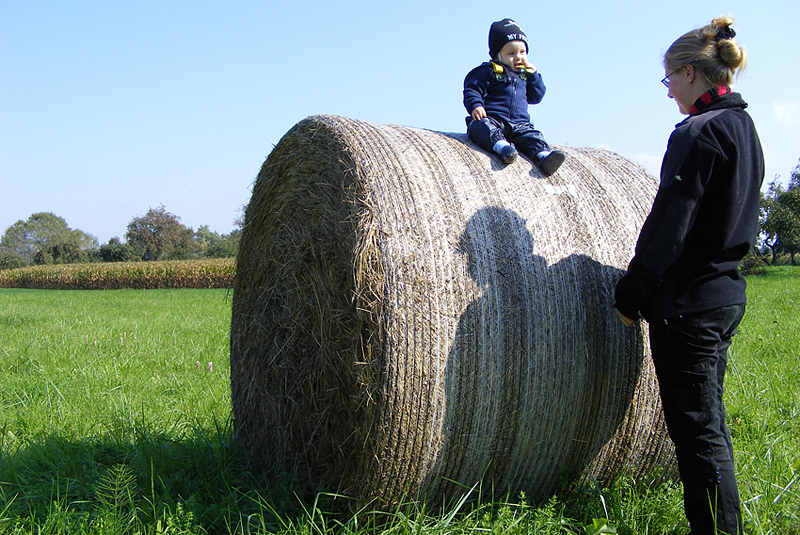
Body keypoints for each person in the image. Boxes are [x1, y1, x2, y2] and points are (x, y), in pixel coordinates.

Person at [614, 15, 763, 535]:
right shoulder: (743, 127)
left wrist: (631, 294)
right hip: (724, 296)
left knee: (698, 433)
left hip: (689, 305)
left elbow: (669, 226)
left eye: (669, 79)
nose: (669, 90)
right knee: (709, 423)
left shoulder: (697, 133)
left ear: (691, 74)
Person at [463, 19, 565, 176]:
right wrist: (476, 105)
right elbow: (472, 88)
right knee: (479, 126)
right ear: (498, 55)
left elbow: (536, 97)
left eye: (522, 52)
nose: (518, 57)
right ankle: (502, 147)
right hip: (494, 119)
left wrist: (534, 76)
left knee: (535, 137)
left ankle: (544, 158)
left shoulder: (525, 76)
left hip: (520, 125)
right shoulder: (489, 70)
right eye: (511, 53)